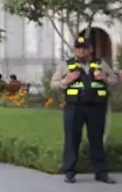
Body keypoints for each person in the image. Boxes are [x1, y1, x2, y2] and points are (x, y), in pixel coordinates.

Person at [50, 35, 117, 184]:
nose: (81, 51)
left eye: (84, 48)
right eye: (78, 48)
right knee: (72, 139)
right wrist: (67, 80)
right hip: (74, 106)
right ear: (74, 50)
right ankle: (69, 172)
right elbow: (53, 84)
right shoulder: (65, 65)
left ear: (90, 50)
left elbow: (114, 80)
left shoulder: (101, 64)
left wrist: (104, 79)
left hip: (96, 107)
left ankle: (101, 173)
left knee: (97, 139)